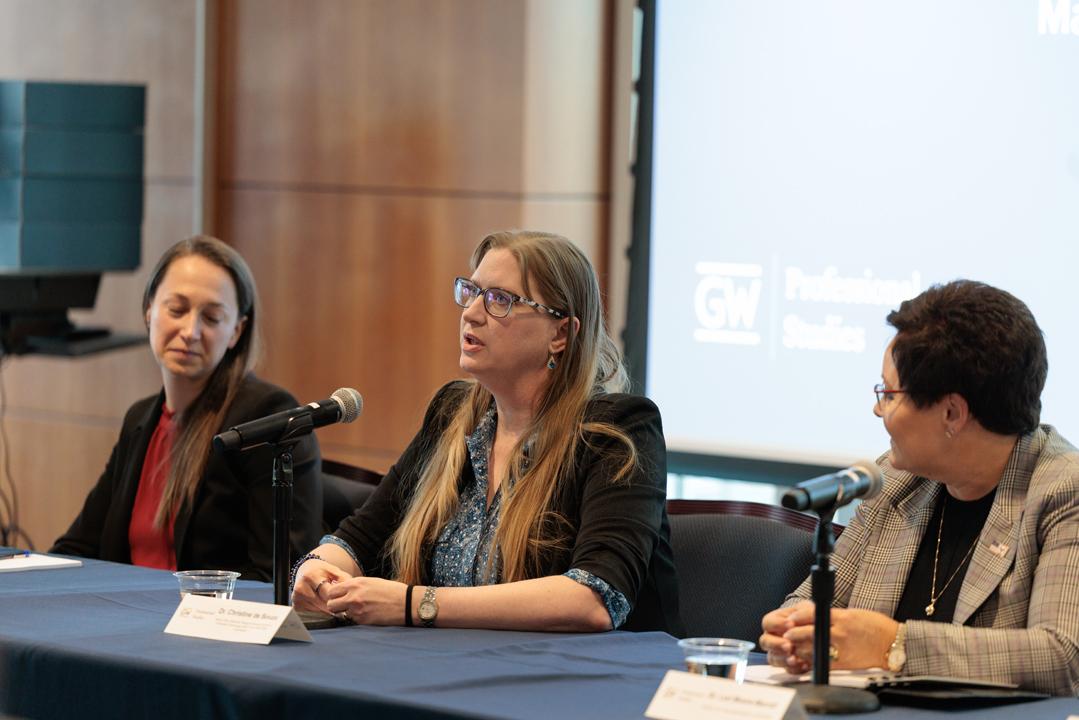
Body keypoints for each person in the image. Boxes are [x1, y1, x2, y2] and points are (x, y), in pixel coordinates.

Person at [291, 230, 682, 634]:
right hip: (455, 663)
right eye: (471, 291)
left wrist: (415, 604)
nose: (472, 313)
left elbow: (595, 599)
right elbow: (359, 539)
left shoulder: (617, 429)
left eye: (500, 300)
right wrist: (317, 568)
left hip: (583, 671)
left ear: (560, 334)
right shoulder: (452, 413)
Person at [760, 280, 1079, 696]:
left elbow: (1062, 656)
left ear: (952, 413)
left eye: (890, 394)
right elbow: (816, 606)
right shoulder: (894, 482)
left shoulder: (1063, 490)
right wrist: (793, 631)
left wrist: (893, 645)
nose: (878, 409)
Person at [51, 236, 322, 581]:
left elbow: (279, 575)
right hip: (124, 610)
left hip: (211, 615)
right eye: (176, 310)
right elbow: (77, 547)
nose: (191, 331)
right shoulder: (140, 419)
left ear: (236, 331)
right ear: (149, 311)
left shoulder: (267, 417)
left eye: (212, 317)